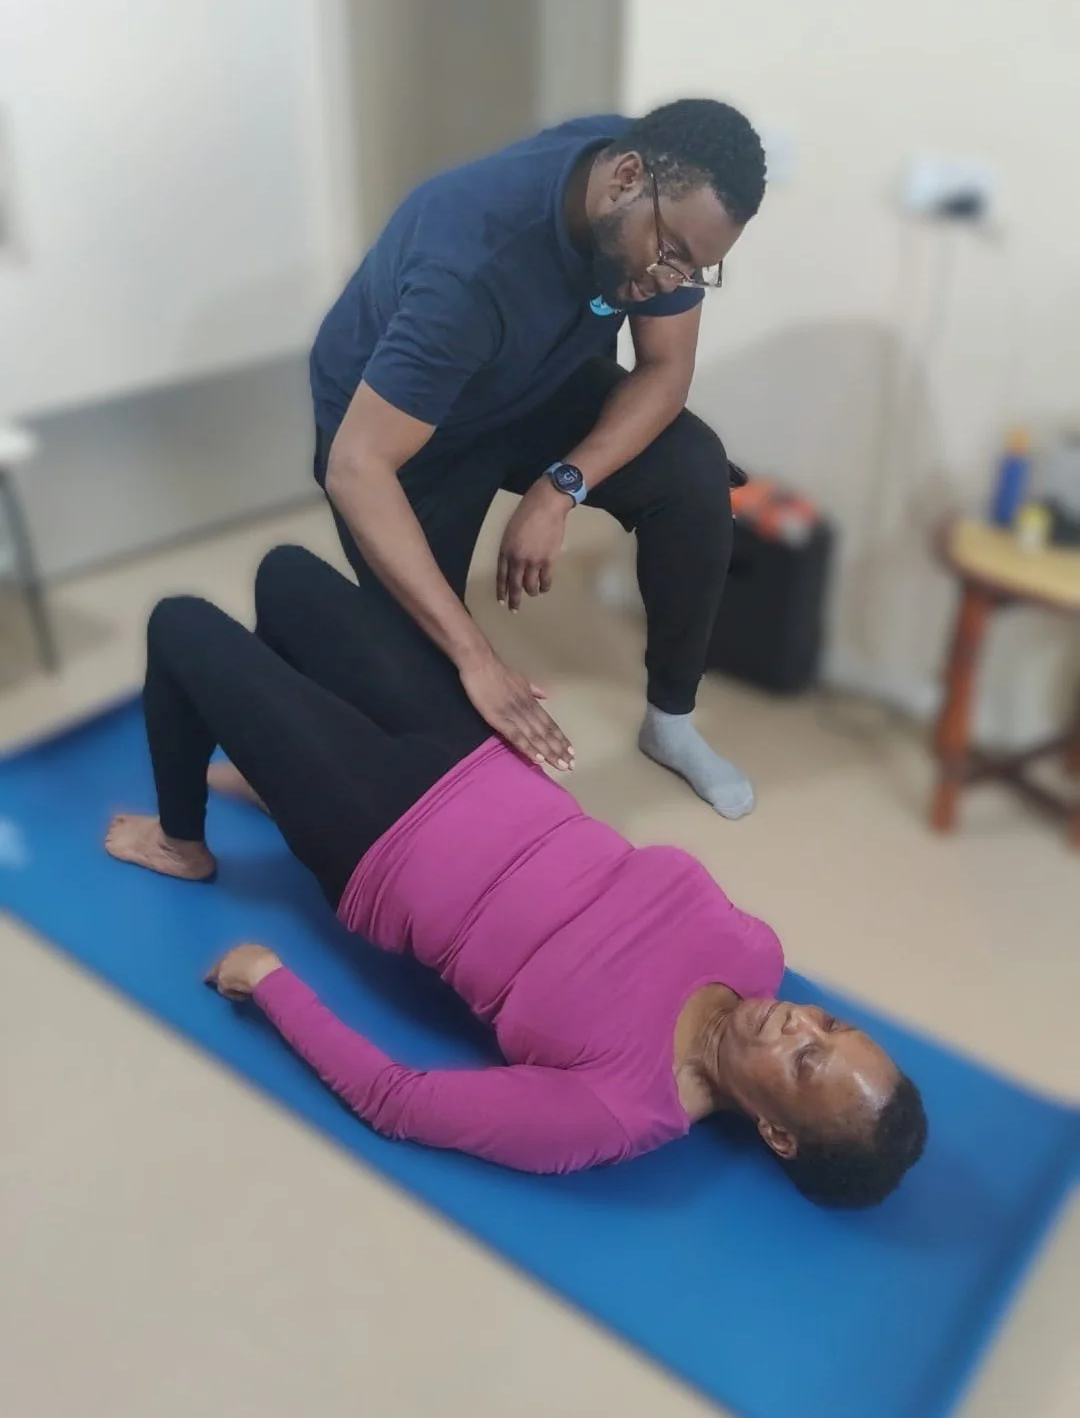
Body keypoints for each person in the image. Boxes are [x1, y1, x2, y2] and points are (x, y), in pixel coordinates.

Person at [105, 545, 927, 1207]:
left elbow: (402, 1103)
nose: (800, 1025)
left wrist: (269, 983)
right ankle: (279, 771)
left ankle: (184, 843)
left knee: (182, 625)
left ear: (777, 1134)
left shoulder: (618, 1109)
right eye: (829, 1024)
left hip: (383, 841)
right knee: (284, 577)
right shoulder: (757, 954)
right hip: (477, 757)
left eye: (807, 1063)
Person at [306, 97, 768, 818]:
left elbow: (665, 375)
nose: (674, 281)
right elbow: (356, 467)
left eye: (699, 269)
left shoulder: (650, 194)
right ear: (624, 179)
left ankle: (669, 724)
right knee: (422, 696)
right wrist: (478, 659)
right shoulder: (471, 266)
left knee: (693, 469)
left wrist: (561, 487)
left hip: (531, 378)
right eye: (673, 253)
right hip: (402, 429)